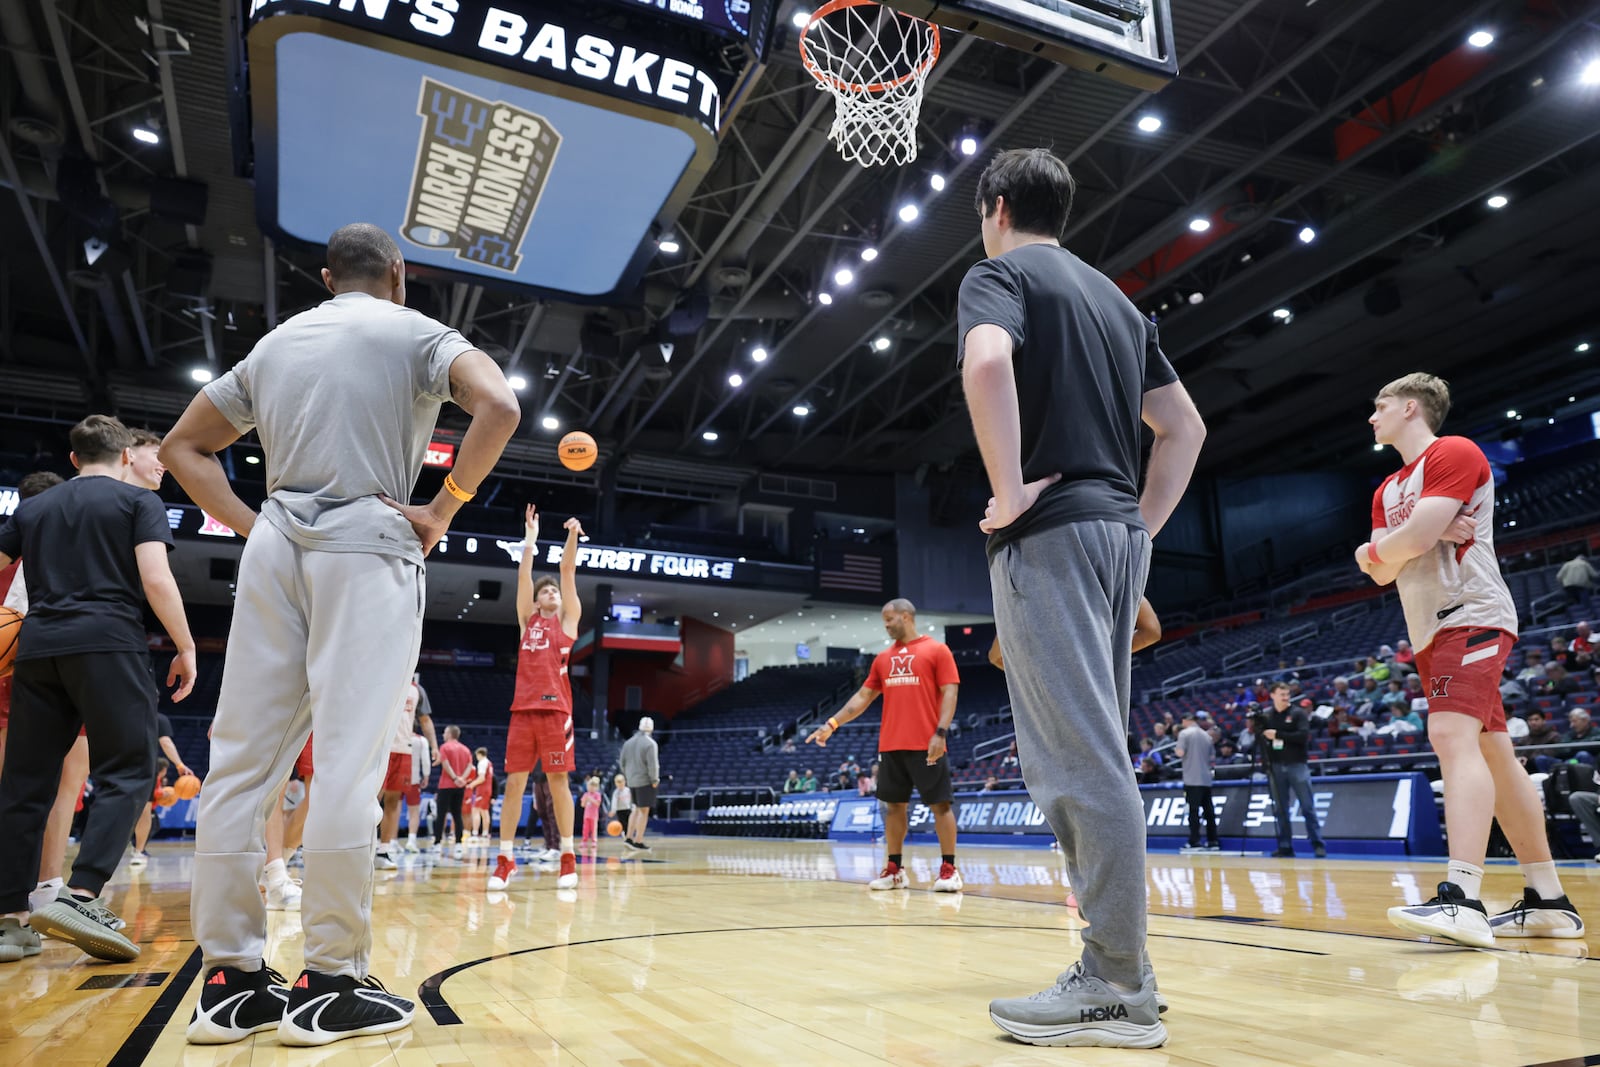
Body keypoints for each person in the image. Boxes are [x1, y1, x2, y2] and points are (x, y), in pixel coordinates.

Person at [161, 223, 520, 1045]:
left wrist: (253, 526)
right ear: (400, 272)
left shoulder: (276, 344)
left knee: (239, 764)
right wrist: (443, 506)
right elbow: (499, 405)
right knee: (350, 764)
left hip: (276, 543)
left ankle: (229, 982)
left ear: (328, 277)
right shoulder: (421, 331)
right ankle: (329, 981)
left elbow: (184, 446)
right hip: (369, 541)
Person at [958, 148, 1203, 1048]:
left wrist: (1012, 487)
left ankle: (1114, 983)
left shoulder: (999, 272)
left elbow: (987, 365)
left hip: (1052, 533)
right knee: (1097, 751)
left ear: (995, 206)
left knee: (1075, 761)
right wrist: (1140, 526)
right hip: (1114, 537)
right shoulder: (1116, 299)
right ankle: (1123, 960)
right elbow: (1184, 428)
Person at [1357, 372, 1582, 946]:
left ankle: (1463, 898)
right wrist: (1386, 546)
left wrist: (1397, 543)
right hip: (1430, 630)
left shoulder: (1454, 451)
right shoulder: (1386, 488)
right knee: (1496, 757)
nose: (1371, 416)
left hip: (1470, 614)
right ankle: (1549, 900)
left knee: (1450, 738)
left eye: (1379, 405)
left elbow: (1409, 542)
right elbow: (1385, 564)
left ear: (1411, 407)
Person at [0, 416, 197, 966]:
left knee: (23, 786)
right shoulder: (138, 504)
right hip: (108, 644)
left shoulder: (34, 508)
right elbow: (156, 578)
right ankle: (82, 895)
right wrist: (186, 646)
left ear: (73, 459)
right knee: (131, 770)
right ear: (125, 454)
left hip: (37, 651)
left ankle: (10, 922)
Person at [807, 598, 963, 893]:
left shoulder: (937, 650)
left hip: (927, 742)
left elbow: (950, 693)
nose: (887, 625)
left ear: (906, 617)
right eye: (885, 621)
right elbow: (862, 698)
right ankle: (894, 870)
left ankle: (949, 869)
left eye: (890, 619)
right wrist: (831, 724)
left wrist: (940, 733)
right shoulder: (882, 659)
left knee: (940, 806)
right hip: (891, 745)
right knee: (893, 807)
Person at [488, 506, 582, 892]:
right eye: (545, 592)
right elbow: (524, 576)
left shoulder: (567, 620)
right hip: (522, 711)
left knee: (559, 782)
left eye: (554, 592)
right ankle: (505, 859)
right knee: (514, 784)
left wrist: (572, 534)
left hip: (556, 712)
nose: (551, 593)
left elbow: (567, 572)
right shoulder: (528, 621)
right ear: (536, 602)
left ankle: (567, 856)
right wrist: (530, 538)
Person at [1259, 683, 1328, 859]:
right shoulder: (1267, 715)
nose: (1285, 697)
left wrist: (1278, 735)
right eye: (1281, 694)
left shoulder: (1298, 713)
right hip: (1275, 767)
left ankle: (1318, 844)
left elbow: (1303, 737)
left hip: (1296, 764)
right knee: (1280, 809)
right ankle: (1285, 846)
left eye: (1287, 694)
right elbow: (1262, 740)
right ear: (1272, 695)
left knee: (1307, 807)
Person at [130, 712, 195, 865]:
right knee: (144, 812)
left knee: (116, 808)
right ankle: (138, 851)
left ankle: (99, 853)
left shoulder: (121, 712)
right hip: (143, 766)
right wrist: (179, 764)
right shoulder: (156, 717)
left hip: (118, 763)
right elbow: (165, 742)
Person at [376, 682, 419, 870]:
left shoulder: (417, 690)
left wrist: (434, 746)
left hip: (403, 750)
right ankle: (361, 847)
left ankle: (383, 849)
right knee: (373, 800)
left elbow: (424, 719)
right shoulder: (384, 676)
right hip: (380, 748)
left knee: (393, 801)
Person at [1175, 713, 1219, 852]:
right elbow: (1212, 756)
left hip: (1192, 778)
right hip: (1206, 778)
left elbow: (1180, 753)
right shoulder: (1207, 736)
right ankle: (1213, 841)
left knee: (1193, 811)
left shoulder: (1184, 733)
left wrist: (1176, 750)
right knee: (1209, 811)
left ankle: (1194, 841)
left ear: (1187, 721)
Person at [620, 717, 661, 850]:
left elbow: (622, 763)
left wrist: (628, 777)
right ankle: (638, 841)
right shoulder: (650, 744)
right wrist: (655, 780)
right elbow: (653, 765)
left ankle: (628, 838)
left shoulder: (628, 743)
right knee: (643, 812)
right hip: (645, 781)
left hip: (632, 781)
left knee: (635, 809)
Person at [435, 726, 472, 857]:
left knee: (441, 814)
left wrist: (455, 778)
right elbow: (470, 766)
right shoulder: (466, 749)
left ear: (450, 734)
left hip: (446, 785)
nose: (443, 735)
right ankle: (458, 844)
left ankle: (437, 843)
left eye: (445, 732)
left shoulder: (444, 747)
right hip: (460, 787)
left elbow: (445, 764)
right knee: (457, 815)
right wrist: (462, 779)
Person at [404, 715, 432, 852]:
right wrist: (426, 776)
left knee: (392, 809)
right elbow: (426, 761)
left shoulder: (398, 737)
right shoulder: (421, 740)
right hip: (413, 779)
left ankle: (389, 843)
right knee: (414, 812)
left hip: (397, 776)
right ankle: (411, 839)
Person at [469, 747, 494, 841]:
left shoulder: (482, 762)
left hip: (482, 789)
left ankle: (475, 833)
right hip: (488, 789)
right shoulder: (489, 763)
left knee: (475, 810)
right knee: (485, 812)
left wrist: (471, 784)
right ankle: (485, 833)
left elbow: (481, 778)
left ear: (479, 754)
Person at [580, 776, 603, 847]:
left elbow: (597, 804)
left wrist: (591, 799)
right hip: (586, 815)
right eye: (590, 786)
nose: (591, 788)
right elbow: (582, 805)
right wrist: (585, 800)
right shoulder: (585, 794)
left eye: (593, 786)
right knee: (585, 829)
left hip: (594, 815)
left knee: (593, 829)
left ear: (596, 787)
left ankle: (594, 841)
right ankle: (584, 841)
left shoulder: (597, 795)